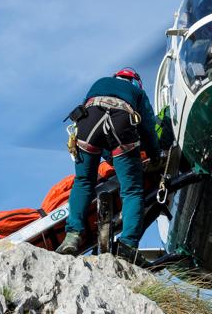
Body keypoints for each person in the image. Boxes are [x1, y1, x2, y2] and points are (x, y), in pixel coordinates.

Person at [56, 68, 161, 263]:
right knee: (131, 191)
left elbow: (101, 137)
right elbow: (147, 128)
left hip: (88, 122)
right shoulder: (137, 92)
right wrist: (155, 155)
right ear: (135, 82)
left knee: (83, 181)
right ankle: (128, 245)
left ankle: (72, 236)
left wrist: (110, 157)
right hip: (122, 122)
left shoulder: (100, 83)